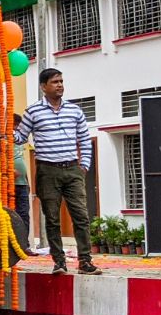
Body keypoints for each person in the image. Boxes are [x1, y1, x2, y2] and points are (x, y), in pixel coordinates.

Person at [14, 67, 101, 276]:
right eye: (55, 82)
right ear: (43, 87)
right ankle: (59, 262)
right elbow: (20, 138)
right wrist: (2, 132)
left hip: (72, 169)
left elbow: (84, 139)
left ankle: (85, 261)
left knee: (81, 216)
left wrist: (84, 166)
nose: (60, 85)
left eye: (61, 81)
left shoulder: (74, 110)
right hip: (47, 170)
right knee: (51, 218)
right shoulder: (33, 111)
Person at [11, 114, 32, 233]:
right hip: (8, 184)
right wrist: (8, 171)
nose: (17, 129)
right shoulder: (1, 138)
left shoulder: (19, 140)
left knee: (24, 214)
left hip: (22, 183)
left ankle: (25, 244)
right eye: (15, 125)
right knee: (12, 215)